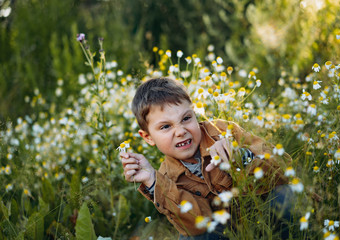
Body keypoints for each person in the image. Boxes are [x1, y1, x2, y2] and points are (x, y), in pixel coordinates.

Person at [120, 77, 293, 239]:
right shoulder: (167, 178)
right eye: (166, 126)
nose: (180, 131)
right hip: (228, 233)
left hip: (265, 219)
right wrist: (152, 180)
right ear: (148, 137)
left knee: (284, 197)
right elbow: (198, 223)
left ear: (195, 114)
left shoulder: (223, 132)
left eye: (186, 118)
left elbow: (283, 165)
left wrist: (240, 157)